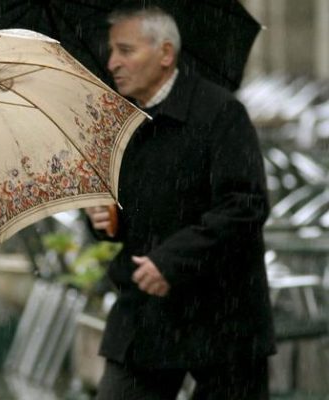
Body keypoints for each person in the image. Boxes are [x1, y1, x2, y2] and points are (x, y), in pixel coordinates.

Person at [84, 7, 275, 399]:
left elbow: (245, 205)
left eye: (125, 50)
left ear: (165, 54)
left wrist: (172, 260)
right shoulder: (119, 120)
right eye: (111, 51)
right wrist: (105, 218)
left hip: (222, 316)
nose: (112, 63)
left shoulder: (221, 112)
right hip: (146, 316)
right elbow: (131, 210)